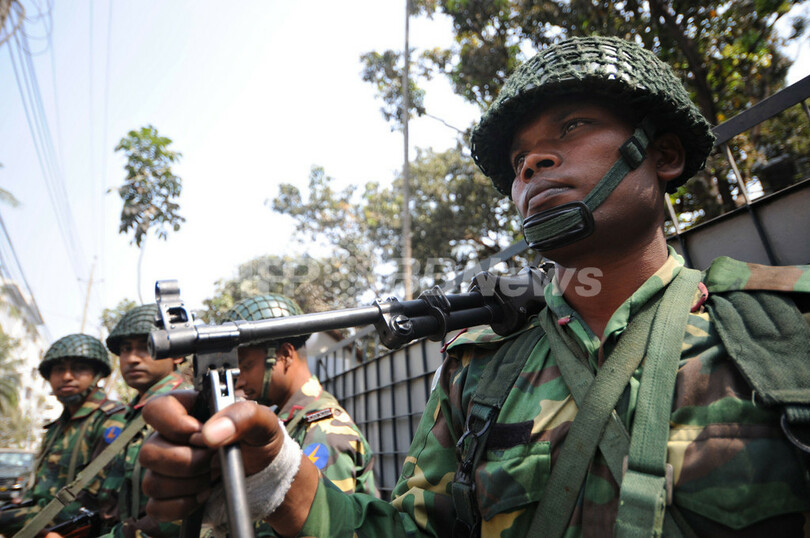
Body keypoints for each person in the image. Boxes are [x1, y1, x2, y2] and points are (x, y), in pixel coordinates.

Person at [136, 36, 810, 537]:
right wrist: (272, 475)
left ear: (662, 154)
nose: (532, 163)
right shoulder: (481, 369)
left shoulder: (782, 322)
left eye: (572, 127)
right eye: (518, 161)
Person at [224, 294, 377, 500]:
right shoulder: (292, 419)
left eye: (247, 366)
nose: (240, 382)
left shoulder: (322, 429)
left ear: (285, 355)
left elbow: (323, 517)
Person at [0, 334, 127, 536]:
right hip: (44, 520)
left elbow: (99, 500)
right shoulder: (56, 428)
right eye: (59, 369)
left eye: (79, 368)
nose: (67, 376)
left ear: (97, 374)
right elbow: (40, 490)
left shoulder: (111, 420)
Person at [92, 304, 192, 537]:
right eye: (125, 349)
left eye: (146, 346)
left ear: (177, 353)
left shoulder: (188, 405)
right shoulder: (130, 413)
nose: (132, 359)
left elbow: (186, 510)